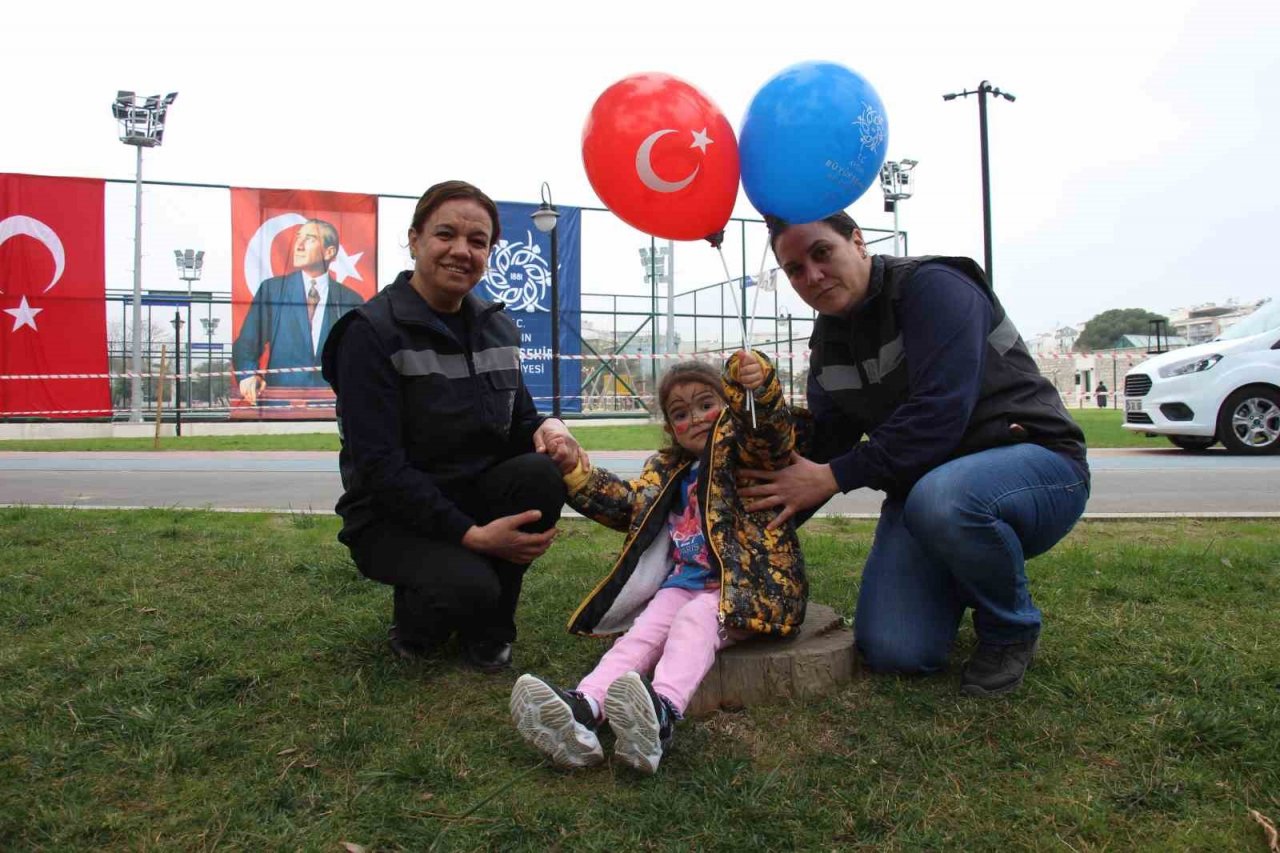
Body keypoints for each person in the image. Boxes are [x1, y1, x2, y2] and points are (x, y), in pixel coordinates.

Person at [739, 211, 1090, 697]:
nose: (813, 275)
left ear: (858, 241)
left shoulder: (936, 286)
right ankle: (963, 569)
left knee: (944, 501)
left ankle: (1009, 627)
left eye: (822, 253)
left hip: (1034, 464)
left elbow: (938, 414)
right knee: (894, 650)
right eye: (795, 269)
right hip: (926, 491)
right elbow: (823, 451)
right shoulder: (827, 345)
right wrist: (741, 533)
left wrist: (833, 475)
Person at [320, 180, 580, 673]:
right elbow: (379, 467)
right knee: (467, 586)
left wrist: (550, 429)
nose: (462, 250)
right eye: (446, 234)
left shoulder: (498, 327)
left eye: (477, 241)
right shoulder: (369, 333)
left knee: (542, 473)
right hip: (391, 515)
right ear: (414, 239)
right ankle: (419, 623)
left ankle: (492, 630)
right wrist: (472, 536)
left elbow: (520, 419)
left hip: (471, 493)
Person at [509, 352, 805, 773]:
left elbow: (770, 433)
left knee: (694, 622)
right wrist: (576, 472)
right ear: (670, 427)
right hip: (682, 584)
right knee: (641, 636)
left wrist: (757, 389)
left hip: (747, 589)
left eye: (707, 404)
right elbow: (628, 506)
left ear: (729, 405)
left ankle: (661, 711)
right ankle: (585, 707)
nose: (696, 418)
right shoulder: (667, 469)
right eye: (681, 413)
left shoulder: (746, 455)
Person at [235, 218, 366, 404]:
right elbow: (246, 344)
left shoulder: (350, 300)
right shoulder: (272, 290)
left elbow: (359, 358)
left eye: (310, 239)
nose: (299, 245)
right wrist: (248, 375)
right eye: (298, 237)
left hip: (331, 406)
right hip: (280, 406)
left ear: (329, 252)